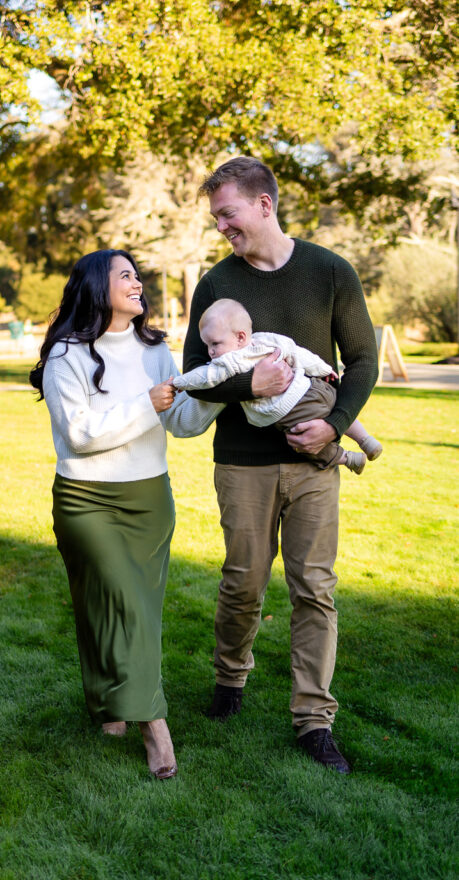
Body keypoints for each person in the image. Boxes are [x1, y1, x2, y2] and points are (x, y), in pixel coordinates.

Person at [183, 156, 379, 774]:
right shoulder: (215, 285)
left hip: (315, 462)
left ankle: (314, 720)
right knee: (243, 582)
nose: (222, 226)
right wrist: (253, 387)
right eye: (217, 217)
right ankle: (230, 680)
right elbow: (198, 378)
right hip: (242, 463)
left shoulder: (329, 271)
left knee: (314, 590)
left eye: (229, 213)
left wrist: (334, 421)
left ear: (264, 204)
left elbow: (364, 360)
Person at [30, 249, 222, 780]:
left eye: (137, 275)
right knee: (119, 607)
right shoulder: (66, 354)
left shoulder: (155, 349)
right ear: (97, 287)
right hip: (86, 501)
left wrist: (218, 391)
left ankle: (110, 704)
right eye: (125, 276)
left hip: (148, 501)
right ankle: (153, 724)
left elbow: (180, 421)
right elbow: (80, 436)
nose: (138, 282)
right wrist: (149, 404)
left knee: (126, 611)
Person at [174, 298, 382, 473]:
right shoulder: (266, 341)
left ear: (240, 337)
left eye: (215, 344)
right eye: (208, 345)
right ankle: (366, 440)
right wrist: (324, 371)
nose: (210, 351)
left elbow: (203, 377)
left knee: (305, 443)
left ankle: (348, 459)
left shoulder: (228, 363)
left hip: (291, 412)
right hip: (312, 388)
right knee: (335, 406)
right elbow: (297, 352)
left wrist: (179, 382)